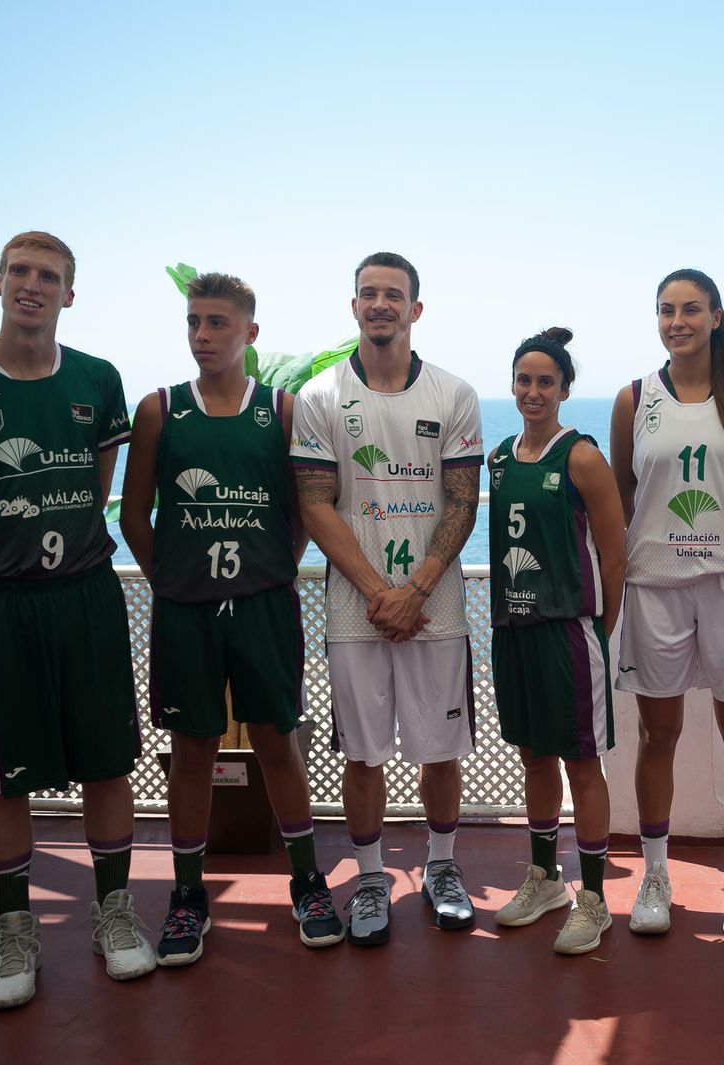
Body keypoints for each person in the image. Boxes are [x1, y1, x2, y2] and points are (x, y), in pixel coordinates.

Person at [0, 231, 155, 1009]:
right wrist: (4, 555)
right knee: (2, 777)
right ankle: (15, 930)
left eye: (49, 275)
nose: (32, 285)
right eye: (20, 271)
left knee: (106, 761)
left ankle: (112, 913)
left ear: (69, 294)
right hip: (2, 606)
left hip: (86, 594)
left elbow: (95, 484)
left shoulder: (96, 379)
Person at [121, 272, 344, 964]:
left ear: (250, 333)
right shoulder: (160, 410)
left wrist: (269, 568)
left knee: (278, 740)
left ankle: (307, 880)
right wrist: (175, 580)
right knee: (192, 752)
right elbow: (133, 516)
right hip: (186, 610)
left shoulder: (279, 410)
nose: (202, 335)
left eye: (218, 323)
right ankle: (188, 894)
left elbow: (304, 509)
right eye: (194, 321)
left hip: (264, 605)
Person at [290, 252, 484, 944]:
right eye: (368, 294)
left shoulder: (453, 394)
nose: (380, 304)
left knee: (440, 750)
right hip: (356, 608)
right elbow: (315, 504)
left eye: (393, 294)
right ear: (354, 307)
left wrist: (417, 589)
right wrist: (380, 592)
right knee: (363, 753)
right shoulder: (319, 397)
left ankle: (440, 869)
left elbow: (462, 503)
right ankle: (371, 879)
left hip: (436, 605)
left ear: (415, 309)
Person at [609, 268, 724, 937]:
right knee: (659, 734)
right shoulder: (634, 398)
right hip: (656, 586)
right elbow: (624, 491)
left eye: (690, 309)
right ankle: (656, 875)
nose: (677, 320)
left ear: (715, 316)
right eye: (665, 310)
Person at [488, 328, 626, 954]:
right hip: (514, 629)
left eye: (546, 381)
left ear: (565, 390)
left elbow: (616, 555)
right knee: (533, 757)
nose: (534, 391)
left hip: (569, 633)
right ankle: (544, 877)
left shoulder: (581, 457)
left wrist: (600, 627)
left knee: (581, 763)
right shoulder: (498, 457)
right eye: (525, 380)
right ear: (513, 385)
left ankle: (593, 898)